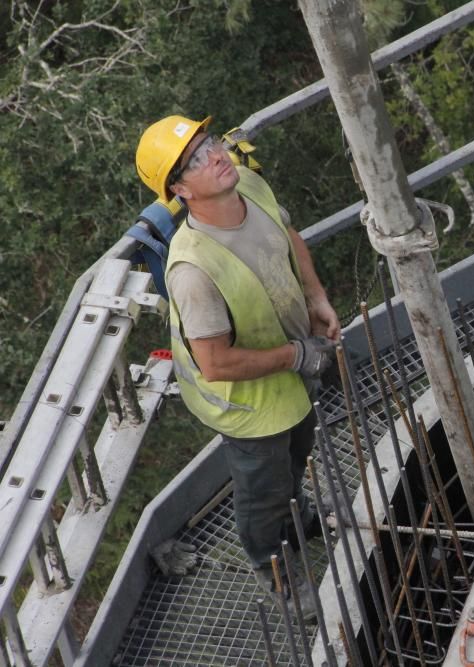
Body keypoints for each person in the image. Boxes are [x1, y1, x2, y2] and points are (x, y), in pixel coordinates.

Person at [135, 115, 341, 616]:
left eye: (209, 143)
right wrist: (297, 354)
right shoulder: (193, 270)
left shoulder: (247, 182)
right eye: (196, 160)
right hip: (248, 405)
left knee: (297, 456)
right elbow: (216, 362)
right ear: (180, 189)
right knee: (262, 492)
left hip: (292, 376)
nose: (216, 156)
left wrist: (315, 296)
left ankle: (300, 518)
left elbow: (286, 233)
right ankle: (274, 569)